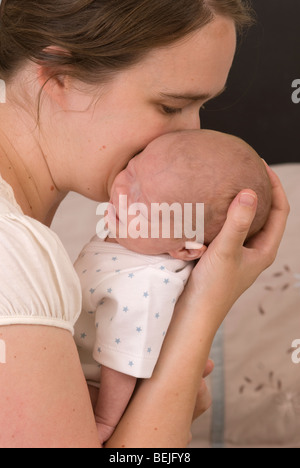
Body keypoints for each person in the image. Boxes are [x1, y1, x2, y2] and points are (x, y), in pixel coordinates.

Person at [0, 0, 289, 448]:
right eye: (171, 105)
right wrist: (197, 321)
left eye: (200, 108)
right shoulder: (13, 251)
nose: (189, 136)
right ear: (61, 77)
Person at [74, 129, 272, 444]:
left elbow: (123, 360)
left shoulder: (146, 282)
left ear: (185, 249)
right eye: (132, 169)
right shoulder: (133, 241)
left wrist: (104, 420)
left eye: (141, 203)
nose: (122, 190)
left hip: (100, 390)